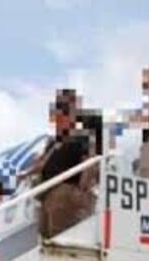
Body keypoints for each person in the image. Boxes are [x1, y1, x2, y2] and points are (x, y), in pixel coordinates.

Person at [20, 90, 101, 239]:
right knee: (46, 239)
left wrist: (81, 189)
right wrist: (25, 174)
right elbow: (42, 163)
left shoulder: (83, 134)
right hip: (48, 194)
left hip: (66, 189)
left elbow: (89, 161)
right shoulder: (55, 140)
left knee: (60, 238)